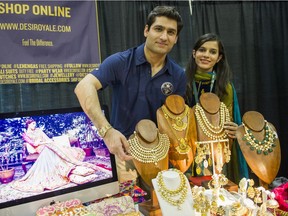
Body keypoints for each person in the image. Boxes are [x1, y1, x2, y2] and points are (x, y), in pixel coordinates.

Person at [74, 6, 186, 182]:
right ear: (146, 30)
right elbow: (83, 87)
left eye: (171, 32)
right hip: (125, 153)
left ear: (176, 38)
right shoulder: (121, 62)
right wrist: (107, 131)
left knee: (159, 208)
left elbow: (176, 121)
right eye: (158, 29)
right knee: (129, 207)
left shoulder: (178, 74)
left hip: (161, 156)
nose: (164, 37)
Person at [185, 33, 249, 183]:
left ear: (219, 57)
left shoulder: (225, 87)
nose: (206, 55)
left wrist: (235, 128)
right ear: (194, 53)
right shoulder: (182, 82)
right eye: (202, 50)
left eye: (212, 52)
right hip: (187, 151)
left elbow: (229, 121)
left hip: (217, 154)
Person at [11, 119, 101, 192]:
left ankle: (65, 166)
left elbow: (46, 138)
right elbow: (34, 144)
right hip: (38, 148)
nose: (35, 125)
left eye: (35, 123)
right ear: (29, 125)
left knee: (53, 147)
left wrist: (46, 142)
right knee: (48, 148)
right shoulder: (26, 134)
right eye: (33, 124)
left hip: (44, 144)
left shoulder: (38, 130)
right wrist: (41, 142)